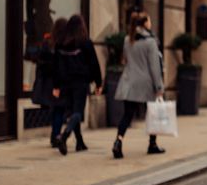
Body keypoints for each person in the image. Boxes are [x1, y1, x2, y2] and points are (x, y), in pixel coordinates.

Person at [112, 11, 166, 159]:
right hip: (145, 83)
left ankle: (118, 141)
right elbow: (154, 67)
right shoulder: (150, 42)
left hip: (129, 81)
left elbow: (126, 61)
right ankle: (152, 144)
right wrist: (159, 87)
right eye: (149, 20)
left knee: (127, 115)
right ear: (144, 24)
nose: (151, 23)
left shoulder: (127, 40)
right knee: (152, 114)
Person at [53, 15, 102, 155]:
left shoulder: (61, 43)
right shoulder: (85, 42)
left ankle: (80, 142)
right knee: (77, 113)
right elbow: (94, 63)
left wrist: (56, 85)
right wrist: (98, 82)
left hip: (65, 83)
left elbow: (56, 66)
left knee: (73, 112)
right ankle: (65, 135)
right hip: (80, 82)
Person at [31, 17, 67, 148]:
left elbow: (40, 62)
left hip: (48, 82)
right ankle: (56, 135)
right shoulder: (63, 44)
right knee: (59, 109)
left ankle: (55, 134)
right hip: (59, 82)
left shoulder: (47, 42)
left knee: (56, 109)